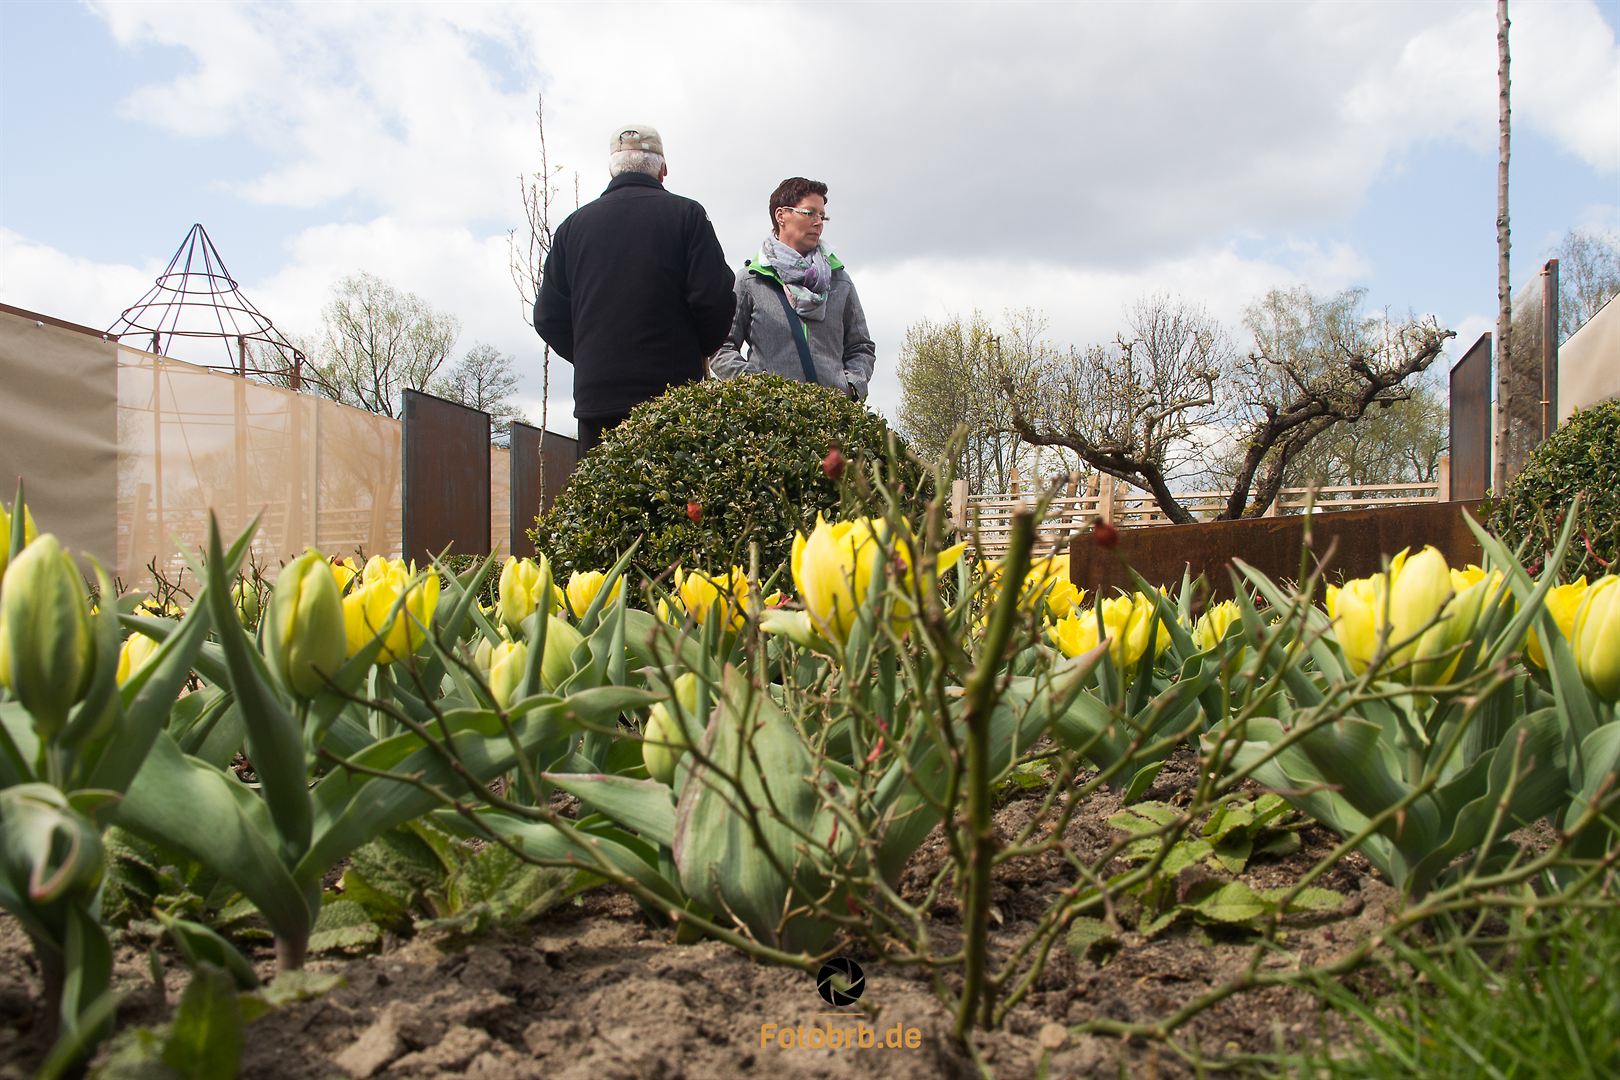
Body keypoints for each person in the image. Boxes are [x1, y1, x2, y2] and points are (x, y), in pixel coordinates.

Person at [535, 124, 736, 453]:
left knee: (603, 485)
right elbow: (715, 299)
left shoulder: (572, 228)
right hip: (673, 397)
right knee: (672, 485)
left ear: (611, 169)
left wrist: (591, 355)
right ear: (663, 169)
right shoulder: (687, 216)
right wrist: (694, 352)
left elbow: (547, 316)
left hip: (597, 399)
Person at [710, 177, 876, 402]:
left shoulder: (840, 281)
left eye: (822, 216)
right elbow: (720, 347)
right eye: (809, 213)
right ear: (781, 216)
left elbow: (861, 346)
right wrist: (760, 390)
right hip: (771, 420)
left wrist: (851, 387)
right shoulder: (750, 281)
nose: (818, 223)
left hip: (832, 417)